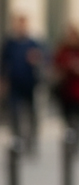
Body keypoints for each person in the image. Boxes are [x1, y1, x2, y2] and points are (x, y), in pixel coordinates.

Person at [0, 14, 44, 154]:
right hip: (14, 85)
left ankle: (31, 142)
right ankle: (17, 141)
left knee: (31, 114)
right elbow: (3, 63)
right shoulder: (10, 44)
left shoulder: (33, 43)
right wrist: (3, 82)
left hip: (29, 85)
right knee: (14, 114)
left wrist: (36, 59)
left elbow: (43, 60)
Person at [53, 26, 79, 149]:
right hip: (65, 91)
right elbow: (56, 65)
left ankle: (78, 142)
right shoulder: (63, 50)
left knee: (78, 118)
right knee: (67, 119)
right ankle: (69, 142)